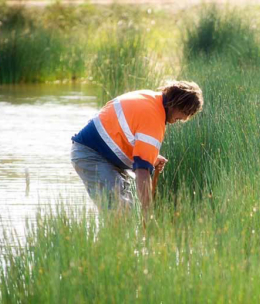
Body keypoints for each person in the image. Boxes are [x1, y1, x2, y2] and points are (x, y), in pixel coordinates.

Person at [71, 81, 203, 213]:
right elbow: (142, 171)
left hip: (101, 156)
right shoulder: (153, 118)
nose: (179, 120)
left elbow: (123, 137)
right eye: (183, 115)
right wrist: (148, 213)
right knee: (119, 212)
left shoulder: (151, 99)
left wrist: (152, 158)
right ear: (178, 104)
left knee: (126, 210)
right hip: (92, 155)